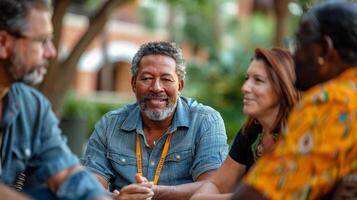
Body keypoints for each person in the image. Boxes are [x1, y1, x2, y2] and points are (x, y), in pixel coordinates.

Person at [231, 1, 357, 199]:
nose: (294, 55)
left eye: (299, 43)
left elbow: (264, 193)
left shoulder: (333, 101)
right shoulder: (250, 133)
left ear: (324, 49)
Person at [81, 41, 228, 200]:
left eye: (166, 79)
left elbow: (212, 187)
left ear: (180, 86)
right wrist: (118, 198)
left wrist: (153, 192)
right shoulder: (110, 125)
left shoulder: (205, 121)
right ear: (133, 84)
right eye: (147, 78)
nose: (156, 88)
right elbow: (90, 186)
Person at [0, 0, 110, 199]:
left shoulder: (32, 106)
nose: (51, 52)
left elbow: (67, 173)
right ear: (3, 43)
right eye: (42, 41)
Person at [191, 48, 299, 200]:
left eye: (258, 80)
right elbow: (216, 185)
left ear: (283, 87)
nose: (245, 88)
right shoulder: (251, 133)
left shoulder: (299, 137)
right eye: (247, 78)